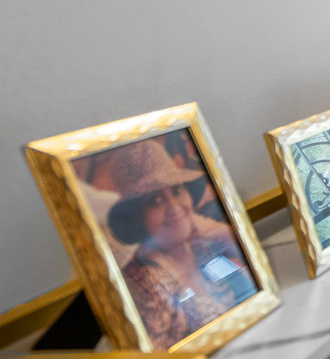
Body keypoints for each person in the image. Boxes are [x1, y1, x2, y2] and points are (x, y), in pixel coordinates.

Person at [101, 138, 256, 348]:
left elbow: (256, 291)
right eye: (155, 200)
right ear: (138, 216)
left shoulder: (202, 247)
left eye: (176, 191)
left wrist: (222, 233)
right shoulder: (142, 283)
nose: (175, 207)